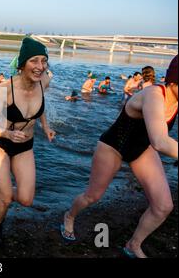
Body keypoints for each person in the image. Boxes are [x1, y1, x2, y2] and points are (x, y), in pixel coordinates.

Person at [61, 55, 178, 258]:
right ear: (174, 80)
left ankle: (134, 244)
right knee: (93, 196)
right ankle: (69, 216)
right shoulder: (154, 94)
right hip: (114, 146)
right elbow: (160, 141)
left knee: (163, 206)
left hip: (142, 151)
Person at [0, 38, 56, 248]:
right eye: (34, 61)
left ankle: (2, 188)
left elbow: (39, 109)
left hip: (25, 146)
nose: (40, 66)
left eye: (44, 61)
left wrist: (45, 127)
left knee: (26, 199)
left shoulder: (45, 81)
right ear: (23, 63)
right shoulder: (6, 89)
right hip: (0, 143)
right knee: (5, 200)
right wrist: (7, 134)